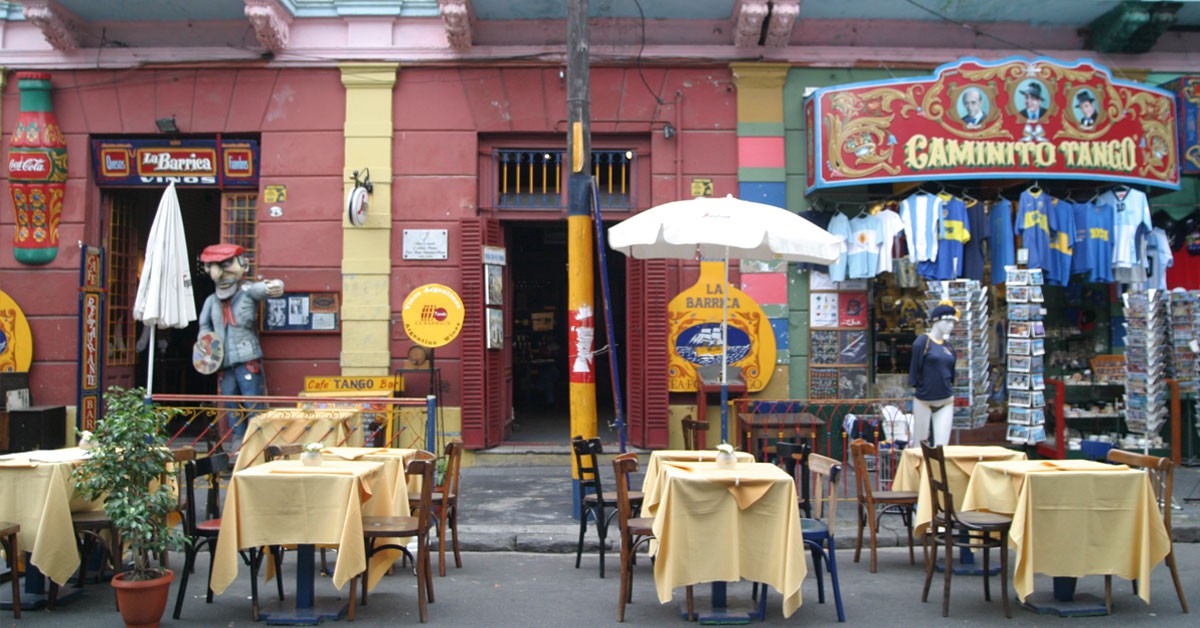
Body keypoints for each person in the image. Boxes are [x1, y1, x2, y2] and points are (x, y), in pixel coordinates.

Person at [195, 243, 284, 443]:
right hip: (223, 361)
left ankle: (257, 440)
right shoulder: (211, 301)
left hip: (246, 358)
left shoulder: (247, 292)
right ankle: (237, 440)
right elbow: (204, 326)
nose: (221, 275)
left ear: (243, 264)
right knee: (230, 402)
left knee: (253, 400)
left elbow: (263, 288)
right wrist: (206, 343)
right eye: (214, 267)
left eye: (227, 265)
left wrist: (274, 286)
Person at [907, 302, 958, 448]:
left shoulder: (949, 347)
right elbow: (914, 369)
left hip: (946, 399)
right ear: (936, 321)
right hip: (924, 398)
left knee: (942, 447)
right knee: (919, 445)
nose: (951, 326)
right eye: (947, 321)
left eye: (953, 322)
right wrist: (915, 386)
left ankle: (938, 465)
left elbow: (951, 374)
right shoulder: (923, 341)